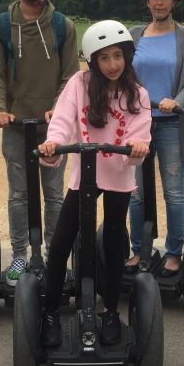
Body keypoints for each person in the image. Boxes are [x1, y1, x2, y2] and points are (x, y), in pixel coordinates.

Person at [38, 20, 151, 347]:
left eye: (118, 56)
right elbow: (62, 120)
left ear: (127, 55)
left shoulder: (137, 94)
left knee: (116, 244)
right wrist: (53, 143)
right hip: (83, 175)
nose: (113, 65)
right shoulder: (80, 83)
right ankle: (50, 311)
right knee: (60, 245)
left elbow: (139, 132)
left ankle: (111, 310)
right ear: (93, 61)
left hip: (117, 176)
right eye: (104, 58)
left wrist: (138, 146)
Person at [0, 0, 80, 286]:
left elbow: (70, 76)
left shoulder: (62, 26)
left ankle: (56, 255)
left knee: (54, 194)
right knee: (18, 195)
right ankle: (20, 258)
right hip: (14, 125)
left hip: (53, 127)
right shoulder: (0, 27)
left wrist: (60, 108)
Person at [125, 0, 184, 276]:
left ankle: (173, 252)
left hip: (171, 122)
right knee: (136, 192)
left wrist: (176, 101)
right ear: (147, 1)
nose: (159, 3)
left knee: (173, 191)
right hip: (138, 124)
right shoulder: (134, 35)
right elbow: (123, 74)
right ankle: (139, 250)